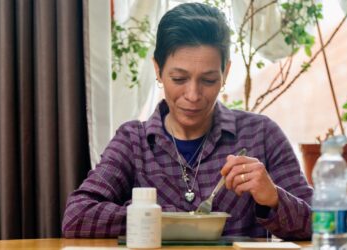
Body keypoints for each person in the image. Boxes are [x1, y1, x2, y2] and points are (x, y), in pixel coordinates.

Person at [62, 2, 313, 240]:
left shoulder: (261, 134)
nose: (193, 95)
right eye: (179, 79)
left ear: (225, 73)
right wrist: (157, 217)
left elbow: (322, 223)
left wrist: (274, 198)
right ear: (158, 70)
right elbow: (76, 217)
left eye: (208, 80)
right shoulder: (133, 141)